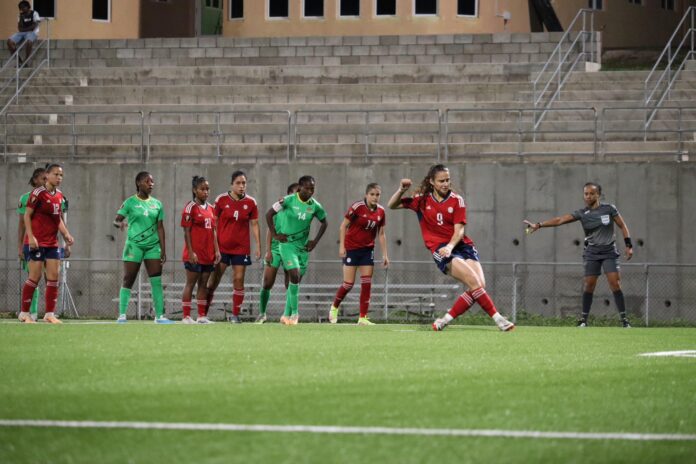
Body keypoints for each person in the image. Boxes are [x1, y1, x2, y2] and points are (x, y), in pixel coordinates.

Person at [388, 164, 515, 332]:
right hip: (440, 249)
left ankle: (443, 320)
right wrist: (401, 190)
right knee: (475, 284)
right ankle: (499, 319)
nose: (445, 183)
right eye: (441, 181)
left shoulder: (457, 200)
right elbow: (392, 205)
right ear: (432, 182)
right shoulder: (422, 199)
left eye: (448, 180)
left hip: (461, 246)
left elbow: (460, 230)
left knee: (478, 285)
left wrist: (450, 246)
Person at [524, 182, 634, 328]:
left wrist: (629, 245)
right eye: (586, 194)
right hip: (592, 252)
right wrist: (539, 225)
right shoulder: (582, 213)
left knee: (615, 283)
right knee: (589, 285)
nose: (588, 196)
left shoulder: (609, 209)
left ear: (598, 195)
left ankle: (624, 320)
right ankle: (583, 320)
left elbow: (622, 226)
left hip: (609, 251)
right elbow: (560, 220)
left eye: (591, 193)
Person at [266, 175, 328, 325]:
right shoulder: (288, 200)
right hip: (287, 245)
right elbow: (269, 214)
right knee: (294, 274)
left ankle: (285, 315)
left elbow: (324, 222)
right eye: (307, 188)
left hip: (303, 248)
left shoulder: (315, 206)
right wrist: (275, 234)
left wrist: (315, 242)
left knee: (295, 282)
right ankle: (295, 314)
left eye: (312, 188)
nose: (310, 191)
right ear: (300, 188)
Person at [113, 171, 173, 324]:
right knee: (128, 279)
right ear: (139, 183)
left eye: (152, 181)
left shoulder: (157, 204)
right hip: (134, 245)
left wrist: (163, 250)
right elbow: (116, 220)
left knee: (156, 280)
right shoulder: (130, 202)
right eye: (147, 181)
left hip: (153, 247)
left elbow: (160, 228)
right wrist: (122, 224)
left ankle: (159, 316)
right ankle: (122, 315)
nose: (151, 184)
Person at [20, 163, 74, 324]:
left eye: (61, 175)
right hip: (36, 242)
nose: (59, 178)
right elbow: (26, 216)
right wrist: (31, 237)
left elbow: (57, 220)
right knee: (34, 277)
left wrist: (66, 235)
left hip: (52, 243)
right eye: (56, 174)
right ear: (47, 175)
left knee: (53, 277)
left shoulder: (59, 196)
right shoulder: (38, 193)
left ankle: (49, 314)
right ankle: (24, 313)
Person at [329, 183, 389, 325]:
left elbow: (381, 234)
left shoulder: (381, 211)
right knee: (348, 284)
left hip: (368, 250)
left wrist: (385, 255)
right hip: (352, 249)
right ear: (366, 195)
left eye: (378, 195)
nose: (375, 197)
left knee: (366, 283)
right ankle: (334, 307)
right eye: (372, 194)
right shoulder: (357, 207)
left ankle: (362, 317)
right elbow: (343, 226)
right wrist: (342, 247)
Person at [206, 171, 261, 324]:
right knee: (214, 280)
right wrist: (213, 245)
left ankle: (235, 315)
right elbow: (214, 224)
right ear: (232, 184)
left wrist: (258, 246)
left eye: (244, 183)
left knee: (238, 280)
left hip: (241, 248)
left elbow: (255, 224)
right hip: (222, 247)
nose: (242, 186)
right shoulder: (221, 200)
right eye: (238, 183)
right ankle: (203, 314)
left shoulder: (251, 202)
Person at [256, 182, 299, 324]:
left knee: (290, 283)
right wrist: (268, 251)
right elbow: (270, 230)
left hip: (290, 249)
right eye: (294, 192)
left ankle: (289, 315)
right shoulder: (279, 208)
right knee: (267, 282)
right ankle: (262, 314)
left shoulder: (301, 212)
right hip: (275, 248)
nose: (297, 195)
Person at [180, 176, 220, 324]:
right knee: (190, 283)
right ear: (194, 190)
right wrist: (191, 252)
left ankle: (202, 316)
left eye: (207, 189)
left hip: (208, 254)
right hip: (194, 255)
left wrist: (217, 250)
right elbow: (186, 231)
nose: (206, 192)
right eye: (202, 189)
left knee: (203, 284)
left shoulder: (211, 209)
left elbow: (214, 231)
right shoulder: (190, 207)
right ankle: (186, 316)